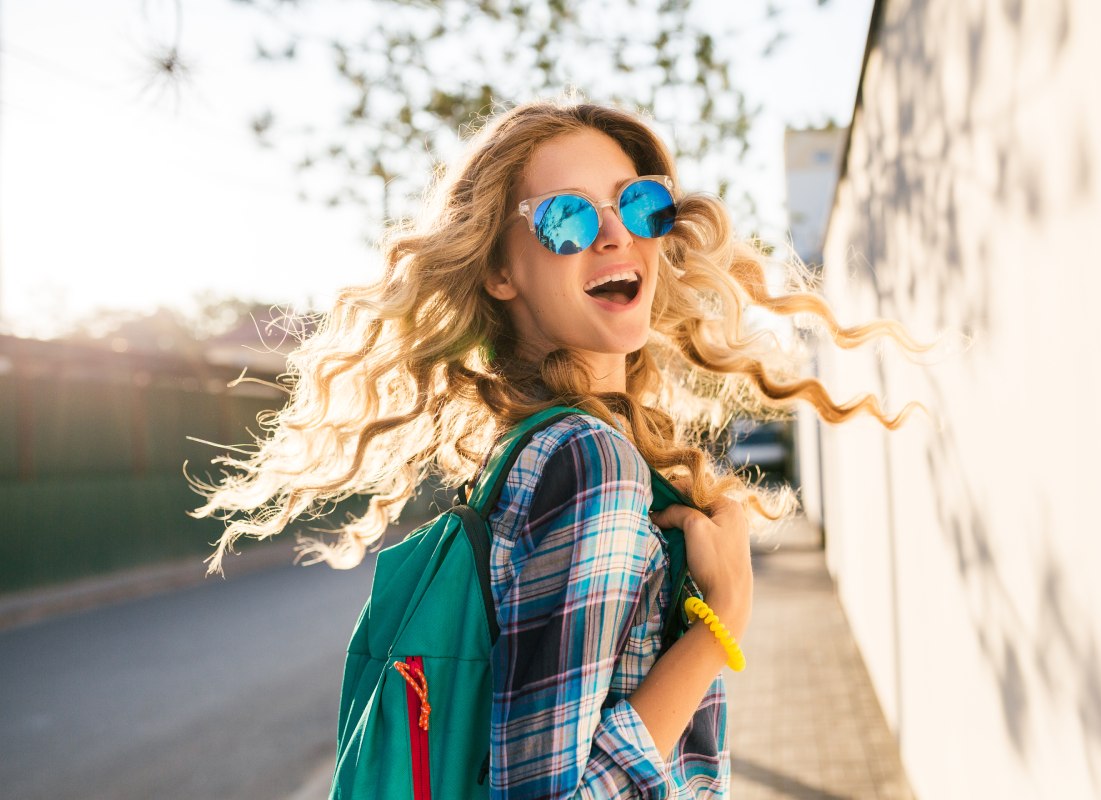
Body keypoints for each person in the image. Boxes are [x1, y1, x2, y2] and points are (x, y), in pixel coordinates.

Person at [190, 99, 931, 798]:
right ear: (499, 271)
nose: (615, 234)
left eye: (639, 204)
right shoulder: (586, 462)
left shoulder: (525, 453)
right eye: (567, 217)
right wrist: (720, 624)